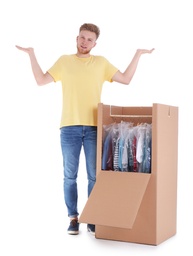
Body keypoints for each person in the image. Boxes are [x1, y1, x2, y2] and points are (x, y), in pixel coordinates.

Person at [16, 23, 154, 236]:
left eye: (90, 39)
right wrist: (32, 54)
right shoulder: (65, 61)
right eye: (82, 37)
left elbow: (126, 79)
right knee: (69, 176)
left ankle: (93, 217)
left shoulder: (100, 63)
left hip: (93, 127)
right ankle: (73, 218)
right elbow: (41, 80)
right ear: (76, 38)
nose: (85, 42)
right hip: (69, 127)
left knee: (94, 176)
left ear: (95, 43)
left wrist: (138, 54)